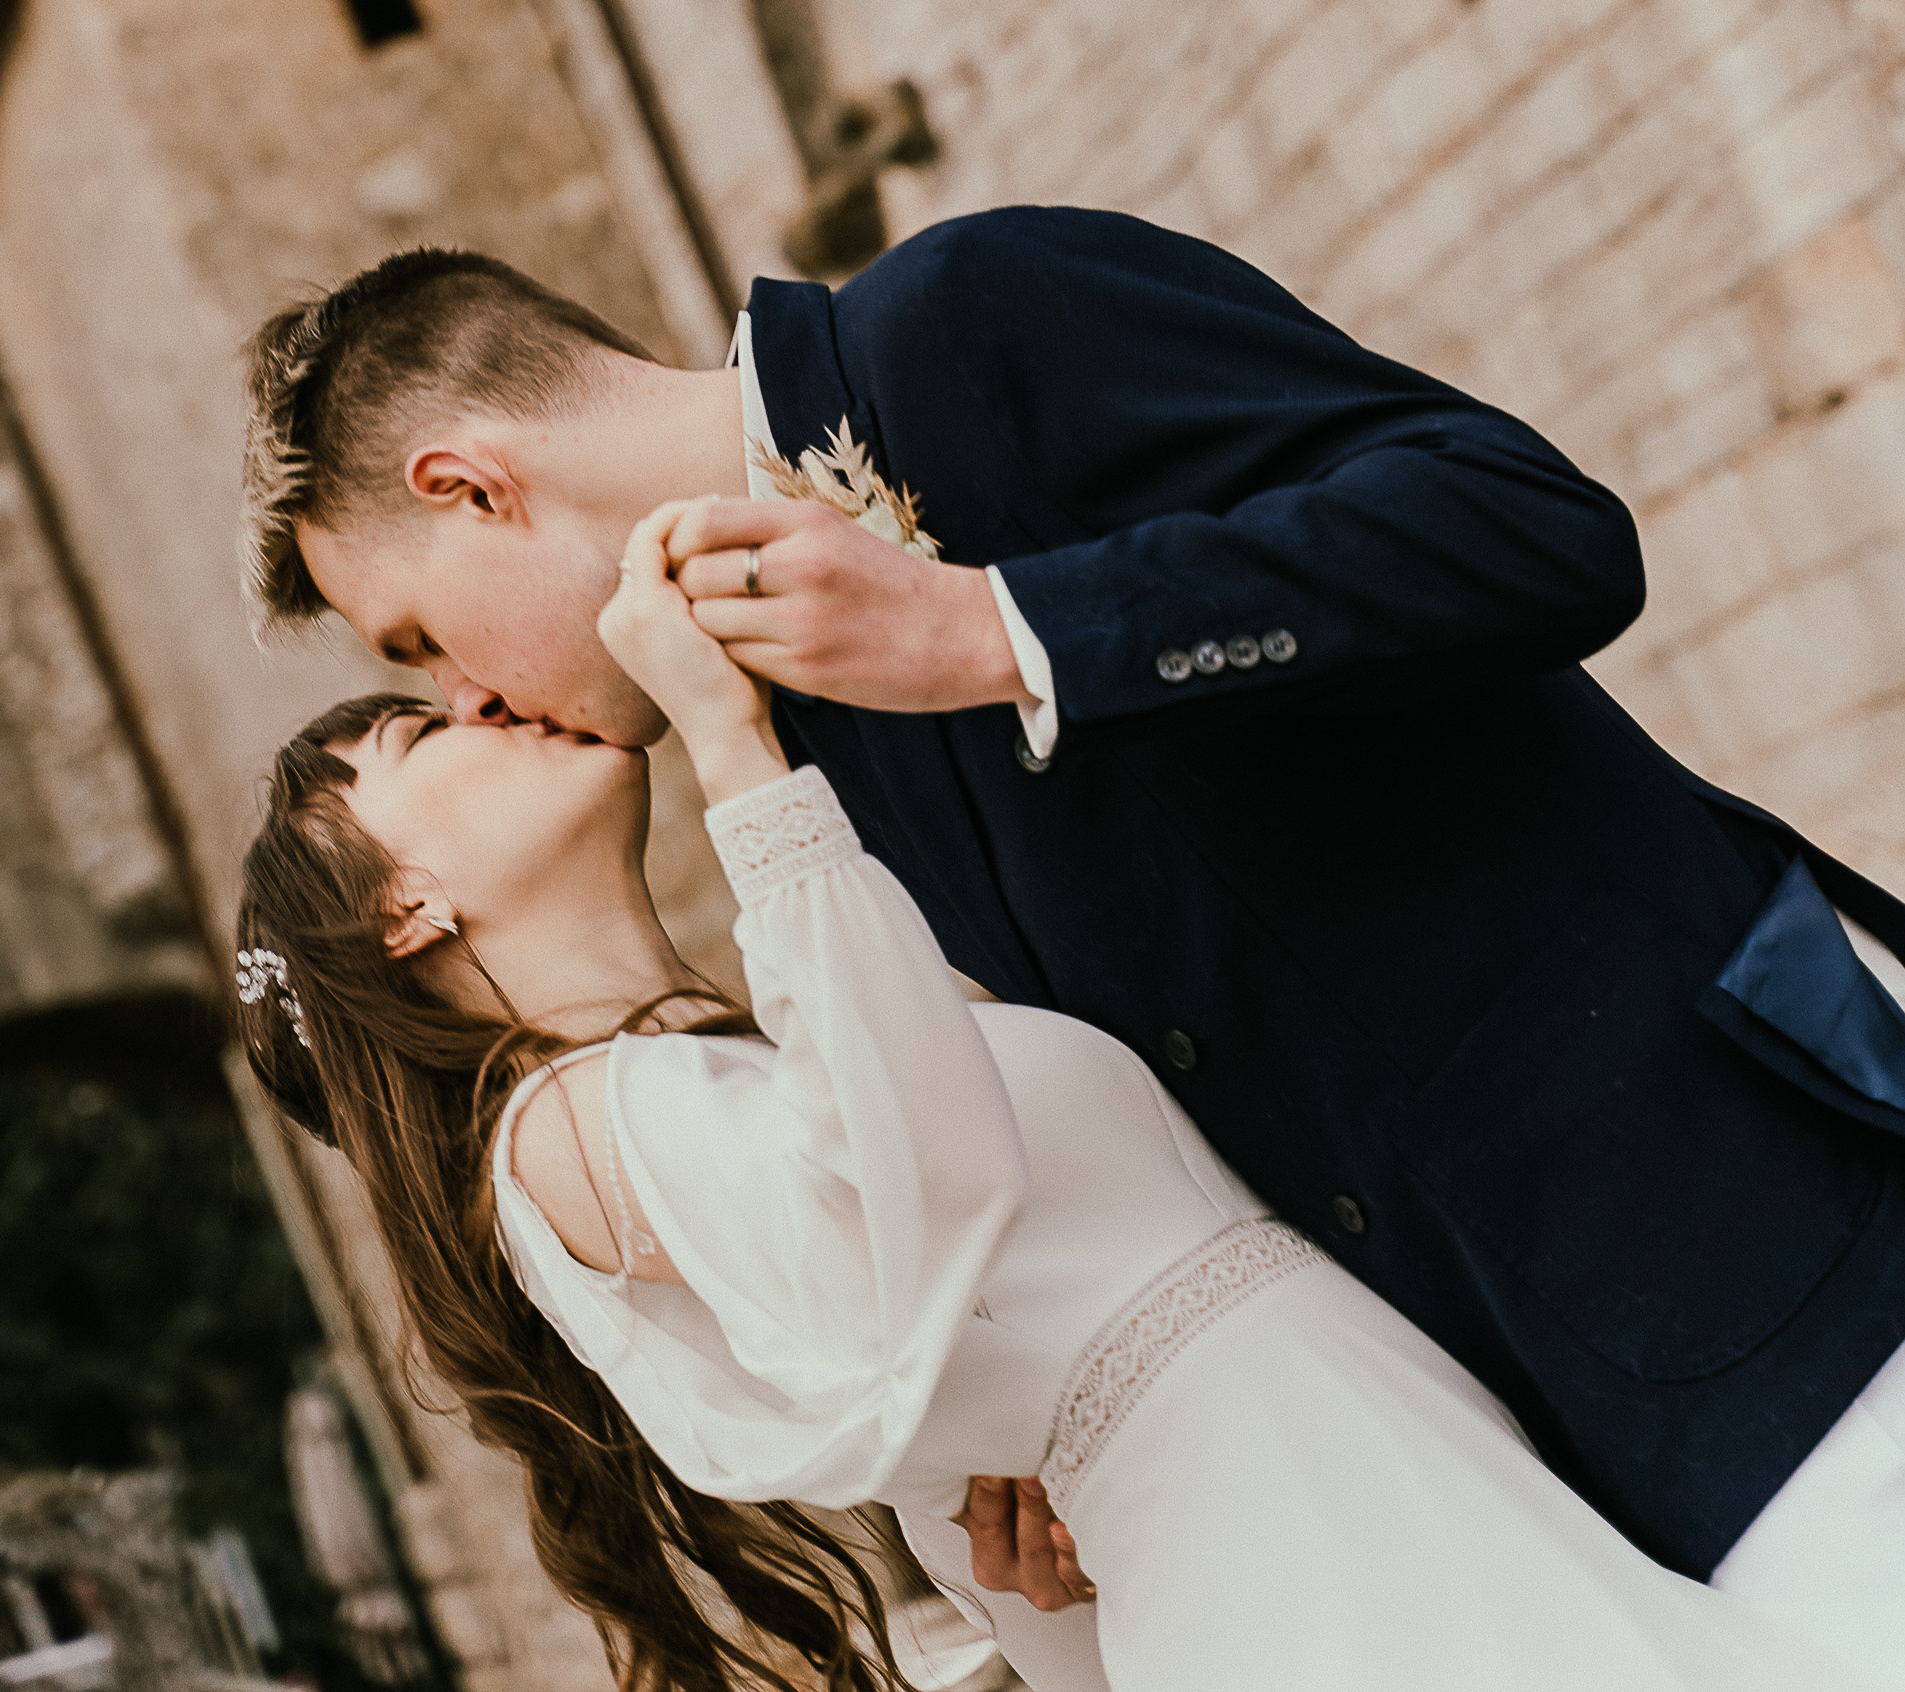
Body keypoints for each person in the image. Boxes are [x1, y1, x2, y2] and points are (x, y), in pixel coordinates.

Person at [238, 209, 1905, 1679]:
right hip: (1524, 1476)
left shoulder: (968, 315)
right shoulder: (790, 727)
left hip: (1768, 1238)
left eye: (419, 637)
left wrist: (995, 626)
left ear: (472, 486)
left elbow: (1535, 528)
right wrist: (1034, 1394)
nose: (465, 695)